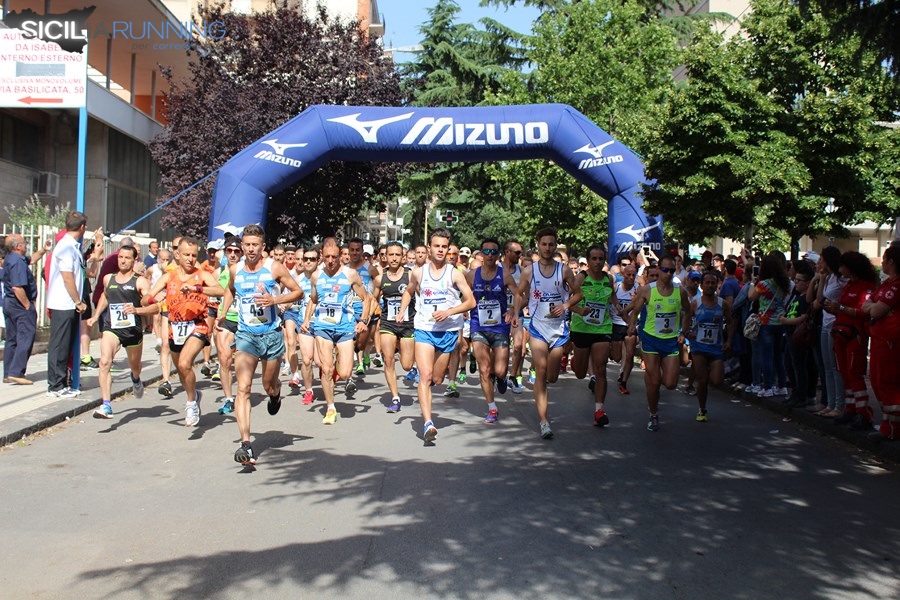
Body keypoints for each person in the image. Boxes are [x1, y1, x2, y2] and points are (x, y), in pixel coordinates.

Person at [218, 225, 303, 466]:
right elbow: (230, 290)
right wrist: (223, 312)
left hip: (271, 335)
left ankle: (275, 394)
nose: (250, 249)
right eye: (247, 245)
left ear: (262, 246)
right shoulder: (235, 270)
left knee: (268, 385)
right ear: (242, 246)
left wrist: (275, 299)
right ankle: (246, 444)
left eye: (255, 245)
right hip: (246, 336)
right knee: (243, 388)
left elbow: (297, 292)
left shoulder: (274, 268)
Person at [397, 228, 476, 443]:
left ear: (448, 249)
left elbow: (471, 301)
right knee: (425, 375)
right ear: (429, 248)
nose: (440, 250)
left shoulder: (454, 273)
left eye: (444, 247)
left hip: (448, 330)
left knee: (437, 379)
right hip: (424, 328)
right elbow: (409, 291)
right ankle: (428, 423)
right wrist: (402, 310)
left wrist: (449, 312)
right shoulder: (418, 272)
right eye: (436, 246)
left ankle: (429, 391)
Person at [143, 237, 224, 426]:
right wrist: (153, 298)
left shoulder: (201, 274)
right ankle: (194, 394)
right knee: (182, 370)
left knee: (185, 363)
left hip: (197, 325)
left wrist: (197, 289)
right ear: (177, 255)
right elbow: (145, 298)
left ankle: (190, 403)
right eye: (186, 254)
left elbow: (220, 290)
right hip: (176, 328)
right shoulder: (168, 277)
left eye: (194, 255)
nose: (190, 259)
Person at [513, 227, 583, 439]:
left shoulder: (564, 270)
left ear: (555, 246)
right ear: (538, 245)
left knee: (552, 376)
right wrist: (516, 313)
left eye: (551, 244)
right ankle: (544, 421)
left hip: (558, 329)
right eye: (544, 244)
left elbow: (578, 293)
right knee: (542, 372)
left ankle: (545, 389)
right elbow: (519, 293)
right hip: (538, 327)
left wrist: (566, 305)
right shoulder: (529, 271)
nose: (547, 248)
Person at [302, 239, 371, 426]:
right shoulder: (316, 276)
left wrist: (363, 320)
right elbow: (313, 300)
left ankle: (339, 365)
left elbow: (366, 299)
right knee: (326, 369)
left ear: (340, 255)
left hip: (345, 327)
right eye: (327, 257)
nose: (331, 261)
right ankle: (330, 407)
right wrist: (307, 319)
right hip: (322, 327)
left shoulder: (350, 274)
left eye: (334, 256)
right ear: (322, 256)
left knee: (346, 373)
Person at [87, 245, 158, 418]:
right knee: (105, 362)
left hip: (132, 330)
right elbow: (105, 296)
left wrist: (137, 310)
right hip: (112, 327)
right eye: (121, 257)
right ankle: (106, 405)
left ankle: (136, 378)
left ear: (134, 260)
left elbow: (154, 307)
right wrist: (96, 316)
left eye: (127, 258)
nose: (123, 261)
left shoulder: (140, 281)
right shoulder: (108, 278)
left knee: (135, 366)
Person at [627, 254, 691, 431]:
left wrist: (683, 332)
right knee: (655, 381)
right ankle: (653, 413)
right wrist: (631, 326)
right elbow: (635, 311)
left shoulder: (680, 291)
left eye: (671, 270)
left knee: (670, 384)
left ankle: (652, 378)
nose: (668, 273)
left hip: (670, 341)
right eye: (665, 270)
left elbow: (688, 312)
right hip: (650, 339)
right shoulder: (647, 290)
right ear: (658, 269)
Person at [466, 237, 518, 424]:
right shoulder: (472, 275)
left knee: (500, 370)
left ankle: (501, 377)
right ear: (481, 254)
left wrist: (513, 310)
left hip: (500, 326)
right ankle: (492, 408)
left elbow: (520, 295)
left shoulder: (505, 275)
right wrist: (462, 308)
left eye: (493, 252)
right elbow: (463, 295)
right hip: (478, 325)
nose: (489, 255)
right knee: (484, 369)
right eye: (486, 251)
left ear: (498, 255)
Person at [569, 244, 622, 427]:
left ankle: (599, 410)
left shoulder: (609, 278)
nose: (598, 262)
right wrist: (580, 310)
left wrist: (621, 310)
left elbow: (612, 298)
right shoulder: (580, 278)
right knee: (580, 373)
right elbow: (567, 303)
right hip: (581, 329)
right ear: (588, 260)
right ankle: (577, 362)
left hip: (602, 328)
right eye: (594, 259)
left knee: (601, 368)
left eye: (601, 259)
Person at [826, 251, 878, 429]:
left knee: (854, 373)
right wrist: (834, 308)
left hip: (856, 335)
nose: (840, 270)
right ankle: (850, 409)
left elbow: (863, 312)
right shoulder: (849, 285)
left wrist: (839, 308)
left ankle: (863, 413)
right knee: (844, 373)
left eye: (843, 266)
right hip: (841, 334)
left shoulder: (866, 287)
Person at [46, 211, 89, 398]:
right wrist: (78, 301)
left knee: (65, 345)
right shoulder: (66, 247)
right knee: (59, 345)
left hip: (68, 304)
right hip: (63, 303)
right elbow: (67, 277)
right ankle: (55, 386)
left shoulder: (72, 246)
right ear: (82, 227)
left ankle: (61, 383)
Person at [371, 241, 417, 413]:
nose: (394, 258)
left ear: (403, 257)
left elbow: (421, 295)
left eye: (398, 255)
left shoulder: (410, 275)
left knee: (406, 365)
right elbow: (373, 299)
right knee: (388, 360)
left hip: (408, 324)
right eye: (391, 254)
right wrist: (365, 318)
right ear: (385, 256)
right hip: (388, 323)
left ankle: (402, 348)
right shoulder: (380, 278)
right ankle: (395, 397)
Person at [861, 246, 900, 440]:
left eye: (884, 259)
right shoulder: (887, 283)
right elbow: (867, 304)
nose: (882, 262)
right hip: (879, 340)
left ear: (892, 261)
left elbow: (875, 310)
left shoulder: (896, 285)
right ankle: (888, 424)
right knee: (877, 381)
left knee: (887, 382)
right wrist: (872, 306)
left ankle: (892, 428)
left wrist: (872, 306)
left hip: (890, 343)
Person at [688, 270, 733, 421]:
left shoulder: (722, 304)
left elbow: (731, 322)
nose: (710, 285)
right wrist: (687, 332)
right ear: (701, 285)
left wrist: (729, 341)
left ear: (717, 285)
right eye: (707, 283)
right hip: (699, 347)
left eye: (713, 283)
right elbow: (686, 319)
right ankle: (702, 409)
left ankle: (709, 370)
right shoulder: (695, 303)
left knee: (717, 381)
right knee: (703, 380)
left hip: (716, 347)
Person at [2, 235, 39, 384]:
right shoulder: (17, 262)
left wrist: (43, 250)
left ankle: (8, 372)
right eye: (24, 243)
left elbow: (32, 259)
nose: (26, 245)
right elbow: (17, 287)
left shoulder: (12, 258)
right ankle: (16, 372)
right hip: (19, 304)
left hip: (9, 303)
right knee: (26, 336)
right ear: (17, 246)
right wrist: (27, 305)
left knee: (12, 338)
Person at [287, 246, 319, 406]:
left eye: (312, 259)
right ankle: (308, 390)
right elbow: (291, 297)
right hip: (304, 323)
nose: (307, 262)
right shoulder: (298, 280)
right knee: (306, 360)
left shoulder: (323, 277)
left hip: (322, 323)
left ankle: (329, 374)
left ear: (318, 261)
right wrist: (282, 304)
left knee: (320, 362)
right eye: (305, 259)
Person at [213, 237, 242, 414]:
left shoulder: (247, 271)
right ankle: (229, 399)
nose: (232, 254)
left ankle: (243, 393)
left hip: (245, 321)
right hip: (226, 320)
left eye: (236, 251)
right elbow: (212, 292)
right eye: (229, 251)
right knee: (225, 359)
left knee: (243, 362)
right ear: (225, 252)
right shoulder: (218, 273)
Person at [500, 239, 526, 393]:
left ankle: (513, 377)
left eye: (520, 252)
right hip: (498, 315)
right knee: (499, 348)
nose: (519, 255)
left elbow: (527, 297)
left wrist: (514, 310)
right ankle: (498, 375)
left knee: (518, 346)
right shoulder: (496, 269)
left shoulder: (522, 272)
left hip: (516, 313)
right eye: (517, 252)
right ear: (507, 252)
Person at [610, 263, 639, 394]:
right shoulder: (616, 287)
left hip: (630, 325)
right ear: (622, 275)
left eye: (633, 275)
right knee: (616, 357)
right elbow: (609, 301)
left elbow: (640, 307)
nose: (631, 277)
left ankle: (624, 382)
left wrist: (635, 302)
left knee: (630, 354)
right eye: (628, 275)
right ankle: (620, 366)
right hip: (616, 324)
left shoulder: (638, 289)